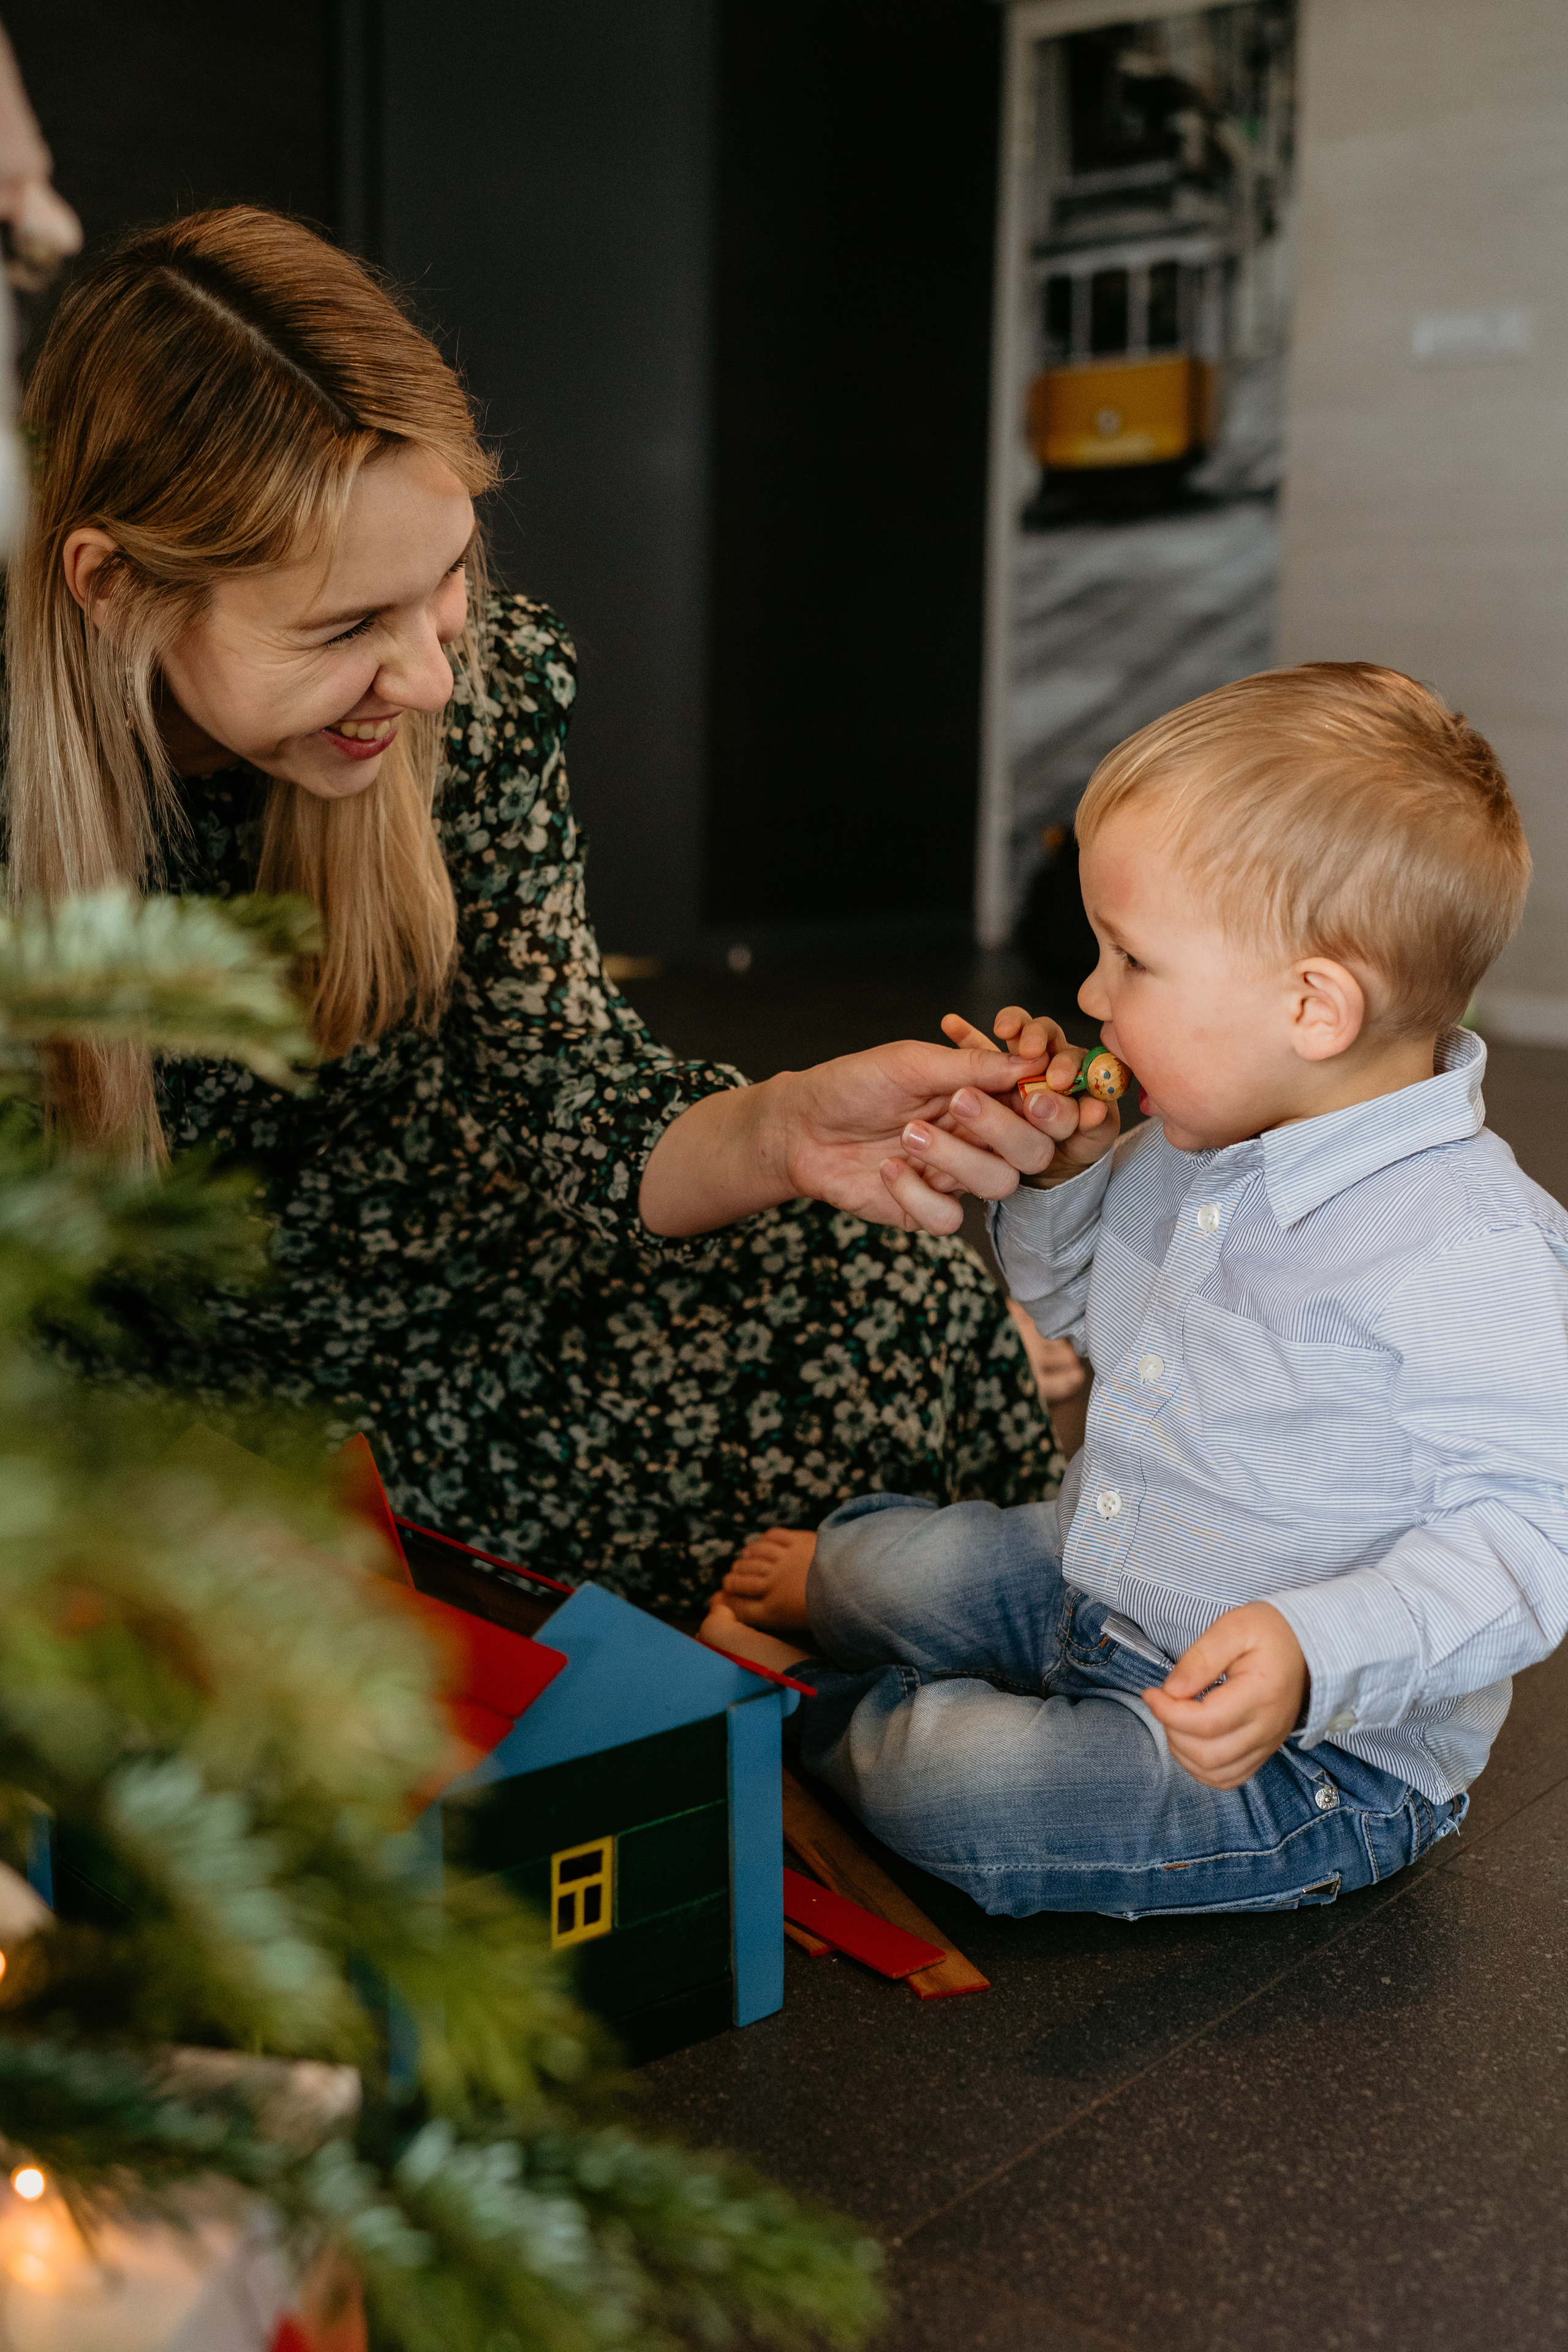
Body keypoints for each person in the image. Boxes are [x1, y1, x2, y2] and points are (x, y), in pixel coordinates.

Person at [3, 204, 1069, 1616]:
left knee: (906, 1303)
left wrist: (783, 1129)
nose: (431, 679)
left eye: (443, 579)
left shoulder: (473, 698)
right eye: (343, 627)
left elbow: (567, 1090)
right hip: (177, 1389)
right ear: (114, 586)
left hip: (488, 1279)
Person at [702, 663, 1568, 1917]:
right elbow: (1071, 1311)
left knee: (958, 1783)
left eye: (1132, 961)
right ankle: (852, 1617)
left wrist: (1313, 1652)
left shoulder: (1471, 1250)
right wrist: (1063, 1178)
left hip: (1299, 1755)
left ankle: (814, 1716)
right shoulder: (1190, 1140)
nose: (1091, 998)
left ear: (1312, 1007)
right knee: (887, 1570)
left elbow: (1531, 1539)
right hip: (1102, 1572)